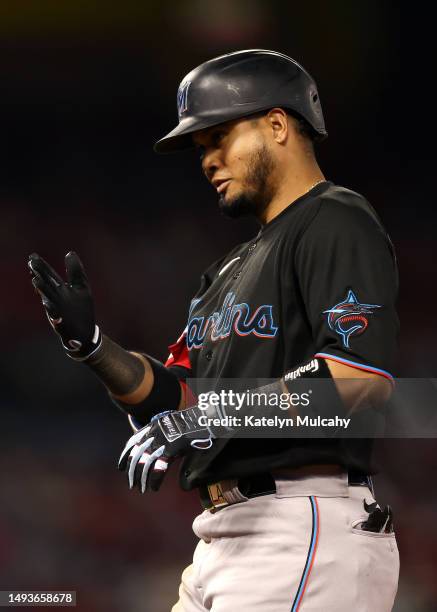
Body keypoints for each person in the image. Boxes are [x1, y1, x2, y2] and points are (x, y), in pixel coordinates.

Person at [29, 50, 400, 611]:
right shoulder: (224, 272)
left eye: (219, 136)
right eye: (201, 147)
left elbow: (356, 378)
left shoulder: (335, 219)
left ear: (278, 126)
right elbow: (174, 400)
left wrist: (209, 416)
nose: (207, 159)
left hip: (301, 525)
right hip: (221, 538)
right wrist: (94, 348)